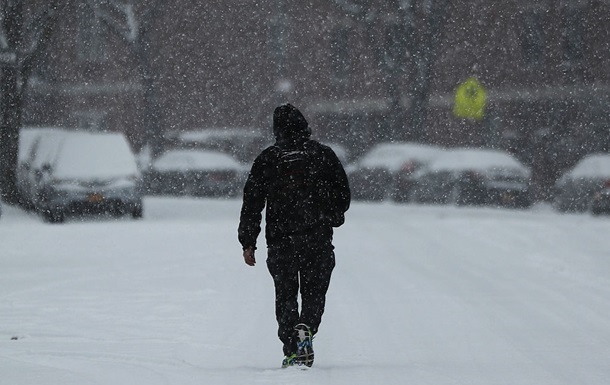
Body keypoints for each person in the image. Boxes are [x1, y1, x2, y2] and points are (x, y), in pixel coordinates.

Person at [238, 103, 350, 368]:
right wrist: (332, 213)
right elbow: (343, 195)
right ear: (304, 126)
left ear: (277, 130)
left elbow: (252, 203)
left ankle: (291, 349)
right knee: (314, 293)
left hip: (281, 240)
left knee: (285, 295)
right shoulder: (323, 155)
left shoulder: (268, 159)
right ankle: (307, 326)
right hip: (317, 238)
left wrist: (248, 242)